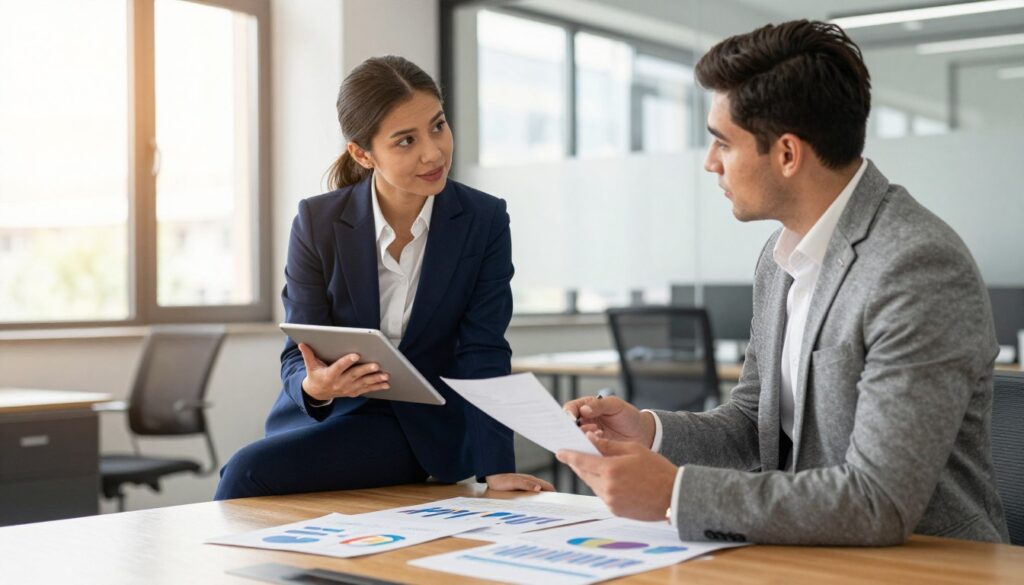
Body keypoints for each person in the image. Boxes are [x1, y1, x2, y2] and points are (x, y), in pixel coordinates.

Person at [558, 20, 1009, 545]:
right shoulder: (781, 259)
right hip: (809, 550)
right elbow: (756, 421)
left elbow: (877, 501)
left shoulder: (916, 267)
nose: (709, 164)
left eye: (722, 144)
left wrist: (674, 494)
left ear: (788, 154)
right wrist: (651, 433)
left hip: (931, 562)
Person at [215, 56, 552, 499]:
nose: (432, 152)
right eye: (405, 141)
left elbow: (483, 349)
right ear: (362, 153)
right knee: (247, 474)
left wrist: (497, 468)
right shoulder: (318, 221)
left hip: (425, 431)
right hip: (331, 418)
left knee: (246, 471)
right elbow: (298, 352)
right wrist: (315, 385)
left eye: (438, 126)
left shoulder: (483, 219)